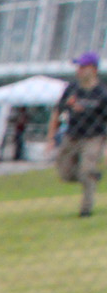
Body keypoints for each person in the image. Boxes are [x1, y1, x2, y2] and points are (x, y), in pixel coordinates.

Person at [56, 53, 107, 217]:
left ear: (94, 69)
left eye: (83, 67)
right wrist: (51, 137)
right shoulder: (72, 89)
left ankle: (86, 210)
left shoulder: (102, 92)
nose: (79, 70)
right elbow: (58, 111)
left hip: (94, 136)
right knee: (65, 173)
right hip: (72, 135)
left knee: (86, 169)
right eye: (78, 67)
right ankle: (91, 176)